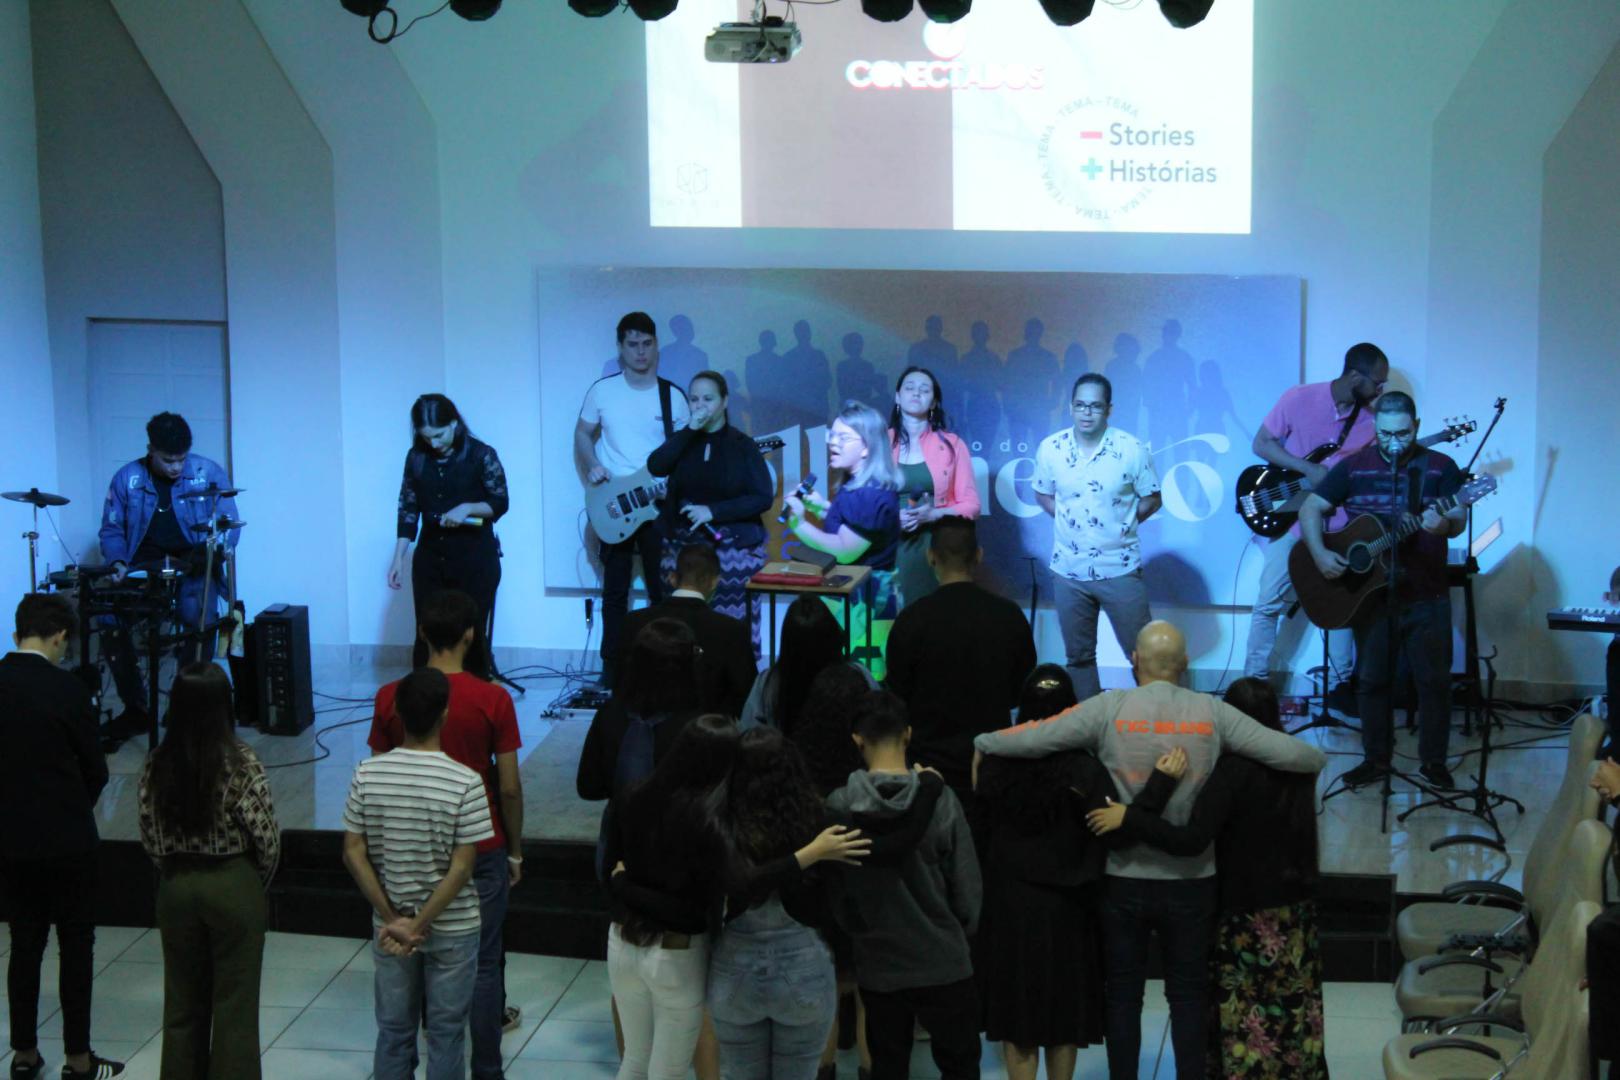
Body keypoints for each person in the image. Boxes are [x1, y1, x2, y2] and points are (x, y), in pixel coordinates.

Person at [971, 620, 1326, 1080]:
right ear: (1185, 664)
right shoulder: (1213, 713)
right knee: (1188, 996)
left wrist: (984, 742)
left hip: (1122, 878)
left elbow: (1037, 737)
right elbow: (1303, 756)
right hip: (1192, 882)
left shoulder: (1109, 707)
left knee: (1123, 996)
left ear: (1134, 660)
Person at [1085, 678, 1329, 1080]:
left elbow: (1192, 840)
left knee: (1245, 1016)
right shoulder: (1296, 768)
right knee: (1290, 1010)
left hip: (1244, 913)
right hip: (1294, 911)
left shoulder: (1233, 771)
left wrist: (1131, 817)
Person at [367, 589, 524, 1079]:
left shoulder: (390, 696)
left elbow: (379, 779)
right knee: (482, 964)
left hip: (410, 847)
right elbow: (509, 786)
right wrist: (516, 850)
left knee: (406, 961)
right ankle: (487, 1070)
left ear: (421, 632)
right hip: (481, 845)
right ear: (471, 634)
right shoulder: (493, 698)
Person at [1298, 389, 1467, 790]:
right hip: (1371, 596)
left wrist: (1444, 524)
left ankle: (1433, 763)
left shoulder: (1441, 466)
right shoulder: (1353, 467)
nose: (1393, 443)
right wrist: (1320, 554)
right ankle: (1375, 759)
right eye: (1386, 434)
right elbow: (1310, 507)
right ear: (1376, 428)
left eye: (1403, 434)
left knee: (1433, 684)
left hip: (1427, 594)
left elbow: (1458, 515)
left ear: (1417, 427)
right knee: (1372, 682)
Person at [343, 667, 493, 1080]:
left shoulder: (367, 773)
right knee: (446, 1034)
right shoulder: (466, 782)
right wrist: (420, 924)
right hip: (453, 927)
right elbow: (463, 866)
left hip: (390, 929)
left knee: (393, 1031)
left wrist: (395, 920)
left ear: (396, 713)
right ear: (445, 714)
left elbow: (353, 852)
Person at [826, 692, 982, 1080]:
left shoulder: (840, 805)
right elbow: (967, 888)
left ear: (857, 739)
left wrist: (858, 933)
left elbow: (837, 892)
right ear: (908, 734)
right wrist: (959, 930)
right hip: (943, 958)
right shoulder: (941, 798)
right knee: (960, 1067)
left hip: (879, 962)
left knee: (888, 1066)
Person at [0, 593, 124, 1080]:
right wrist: (72, 807)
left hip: (11, 841)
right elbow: (96, 769)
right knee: (75, 945)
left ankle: (24, 1055)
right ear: (59, 636)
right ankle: (78, 1059)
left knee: (24, 944)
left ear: (17, 633)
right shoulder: (69, 690)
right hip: (68, 839)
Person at [706, 727, 876, 1080]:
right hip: (804, 966)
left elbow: (742, 883)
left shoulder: (719, 821)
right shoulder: (819, 821)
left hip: (735, 968)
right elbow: (842, 899)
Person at [975, 665, 1117, 1080]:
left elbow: (981, 832)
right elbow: (1105, 834)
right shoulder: (1087, 768)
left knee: (1017, 1016)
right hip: (1069, 908)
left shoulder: (995, 762)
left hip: (1009, 906)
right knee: (1064, 1016)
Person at [139, 663, 280, 1080]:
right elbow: (267, 840)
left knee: (181, 1004)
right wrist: (251, 884)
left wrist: (173, 870)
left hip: (176, 885)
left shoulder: (157, 763)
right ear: (225, 706)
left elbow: (148, 834)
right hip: (233, 883)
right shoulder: (242, 762)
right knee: (235, 1008)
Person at [1243, 343, 1387, 709]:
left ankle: (1340, 686)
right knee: (1268, 601)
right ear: (1354, 376)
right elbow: (1262, 444)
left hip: (1336, 525)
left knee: (1344, 603)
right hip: (1292, 521)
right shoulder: (1298, 398)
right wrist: (1307, 468)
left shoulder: (1370, 423)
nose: (1380, 390)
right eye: (1377, 383)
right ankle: (1252, 685)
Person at [602, 716, 741, 1080]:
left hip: (623, 941)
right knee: (669, 1070)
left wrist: (625, 886)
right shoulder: (711, 822)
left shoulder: (631, 796)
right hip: (677, 954)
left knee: (634, 1059)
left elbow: (611, 873)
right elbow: (689, 914)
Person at [98, 410, 240, 742]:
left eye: (181, 459)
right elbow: (111, 529)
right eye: (168, 460)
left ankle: (184, 707)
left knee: (199, 616)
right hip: (143, 567)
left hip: (192, 564)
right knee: (107, 617)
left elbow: (229, 524)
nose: (176, 467)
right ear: (151, 450)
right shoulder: (126, 478)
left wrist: (214, 551)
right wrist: (117, 561)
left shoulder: (207, 472)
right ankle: (136, 708)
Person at [577, 312, 691, 689]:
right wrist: (592, 465)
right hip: (614, 504)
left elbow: (685, 454)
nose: (640, 352)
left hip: (656, 506)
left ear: (656, 345)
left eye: (646, 343)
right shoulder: (602, 391)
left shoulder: (673, 397)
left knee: (661, 591)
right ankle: (611, 667)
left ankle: (661, 667)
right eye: (632, 344)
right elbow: (582, 434)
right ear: (620, 347)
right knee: (615, 590)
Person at [1034, 373, 1162, 702]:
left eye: (1095, 406)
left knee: (1144, 656)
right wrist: (1072, 522)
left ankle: (1154, 723)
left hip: (1119, 567)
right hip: (1068, 570)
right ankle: (1089, 727)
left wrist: (1120, 523)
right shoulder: (1051, 448)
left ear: (1109, 409)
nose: (1087, 413)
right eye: (1080, 405)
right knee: (1078, 658)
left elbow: (1152, 498)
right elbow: (1043, 494)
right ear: (1071, 407)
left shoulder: (1131, 449)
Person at [884, 517, 1035, 795]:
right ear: (978, 556)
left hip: (927, 770)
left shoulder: (911, 620)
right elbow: (1021, 691)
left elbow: (897, 695)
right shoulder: (1009, 616)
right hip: (992, 764)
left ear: (930, 557)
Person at [647, 372, 774, 660]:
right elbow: (656, 465)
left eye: (708, 398)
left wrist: (713, 511)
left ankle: (736, 682)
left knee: (729, 633)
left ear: (724, 401)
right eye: (694, 399)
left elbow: (762, 497)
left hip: (731, 551)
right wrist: (690, 430)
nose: (700, 405)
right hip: (682, 552)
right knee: (678, 632)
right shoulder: (683, 441)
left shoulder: (742, 445)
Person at [388, 393, 510, 677]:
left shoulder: (481, 455)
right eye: (426, 437)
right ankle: (426, 694)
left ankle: (473, 693)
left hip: (474, 558)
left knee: (471, 633)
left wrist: (468, 507)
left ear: (454, 423)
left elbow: (500, 502)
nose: (434, 443)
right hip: (431, 558)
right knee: (426, 631)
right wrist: (398, 558)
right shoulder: (416, 458)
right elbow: (408, 509)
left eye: (439, 435)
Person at [783, 402, 902, 673]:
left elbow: (846, 550)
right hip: (859, 596)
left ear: (867, 447)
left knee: (861, 676)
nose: (833, 443)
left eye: (844, 438)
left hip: (866, 602)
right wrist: (822, 508)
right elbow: (856, 527)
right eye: (832, 435)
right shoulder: (861, 486)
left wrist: (799, 524)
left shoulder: (868, 493)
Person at [622, 542, 759, 718]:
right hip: (706, 729)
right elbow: (746, 693)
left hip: (645, 728)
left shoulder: (633, 622)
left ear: (672, 578)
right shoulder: (732, 630)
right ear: (714, 582)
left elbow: (622, 687)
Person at [888, 367, 981, 609]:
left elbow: (971, 506)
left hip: (934, 545)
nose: (916, 393)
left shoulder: (953, 445)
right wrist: (891, 517)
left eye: (924, 389)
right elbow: (863, 501)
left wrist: (934, 514)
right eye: (909, 387)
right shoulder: (879, 442)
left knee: (928, 616)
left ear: (934, 402)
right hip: (886, 540)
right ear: (897, 397)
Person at [739, 596, 873, 734]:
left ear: (787, 643)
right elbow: (880, 726)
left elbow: (748, 735)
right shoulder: (859, 675)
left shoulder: (767, 683)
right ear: (835, 636)